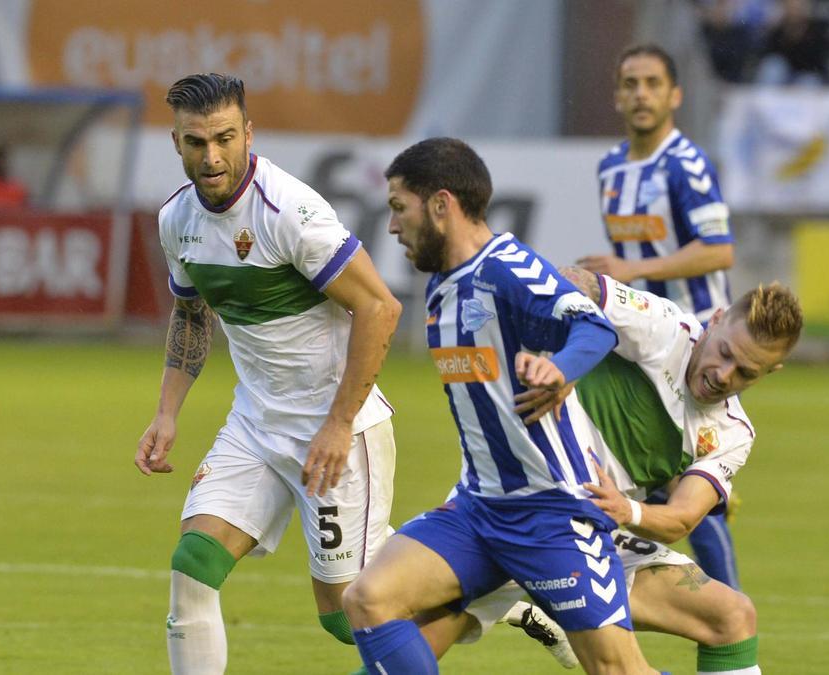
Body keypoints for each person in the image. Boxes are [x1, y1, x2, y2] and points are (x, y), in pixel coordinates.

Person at [341, 137, 660, 674]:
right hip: (479, 509)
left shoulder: (510, 270)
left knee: (617, 671)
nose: (392, 226)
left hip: (553, 513)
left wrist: (560, 369)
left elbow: (592, 326)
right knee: (367, 599)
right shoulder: (444, 287)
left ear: (441, 205)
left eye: (399, 208)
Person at [133, 73, 402, 674]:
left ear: (248, 133)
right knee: (193, 567)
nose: (212, 156)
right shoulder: (177, 219)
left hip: (334, 432)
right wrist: (167, 412)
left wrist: (337, 424)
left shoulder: (292, 213)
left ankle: (496, 601)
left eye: (225, 138)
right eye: (196, 142)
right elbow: (191, 314)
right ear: (176, 143)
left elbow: (381, 308)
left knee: (345, 615)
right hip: (254, 423)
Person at [438, 267, 802, 674]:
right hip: (510, 504)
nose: (723, 375)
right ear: (714, 320)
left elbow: (682, 518)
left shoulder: (731, 432)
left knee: (732, 616)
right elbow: (573, 282)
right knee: (386, 630)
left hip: (589, 529)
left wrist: (627, 512)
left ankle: (532, 609)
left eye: (746, 373)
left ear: (770, 372)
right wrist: (559, 360)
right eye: (726, 353)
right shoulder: (665, 327)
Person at [580, 43, 742, 590]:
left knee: (683, 490)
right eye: (630, 83)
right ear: (618, 95)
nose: (641, 94)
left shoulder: (688, 165)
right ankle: (670, 611)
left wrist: (633, 264)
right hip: (644, 343)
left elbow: (719, 250)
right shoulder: (610, 168)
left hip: (698, 345)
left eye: (652, 83)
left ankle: (727, 613)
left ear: (675, 95)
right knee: (653, 486)